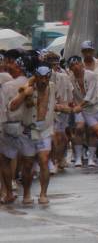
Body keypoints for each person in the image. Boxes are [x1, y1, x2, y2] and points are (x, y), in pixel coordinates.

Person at [8, 66, 71, 205]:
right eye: (40, 78)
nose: (43, 81)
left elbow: (57, 103)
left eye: (46, 78)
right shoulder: (27, 89)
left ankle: (43, 193)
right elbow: (12, 106)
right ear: (35, 77)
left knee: (44, 160)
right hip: (28, 130)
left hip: (45, 130)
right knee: (28, 164)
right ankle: (26, 193)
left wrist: (62, 108)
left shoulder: (52, 86)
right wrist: (24, 94)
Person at [68, 55, 98, 166]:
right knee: (91, 130)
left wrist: (79, 105)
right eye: (72, 65)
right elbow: (70, 94)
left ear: (81, 64)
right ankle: (79, 158)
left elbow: (91, 94)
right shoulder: (70, 78)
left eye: (77, 64)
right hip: (85, 109)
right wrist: (73, 105)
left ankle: (93, 158)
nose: (75, 67)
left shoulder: (92, 75)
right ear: (70, 68)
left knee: (97, 132)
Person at [0, 53, 29, 204]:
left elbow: (5, 108)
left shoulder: (7, 82)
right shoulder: (31, 83)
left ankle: (9, 191)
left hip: (9, 124)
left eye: (12, 64)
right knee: (24, 159)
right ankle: (25, 194)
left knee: (6, 159)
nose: (8, 65)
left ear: (19, 67)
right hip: (26, 125)